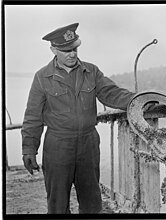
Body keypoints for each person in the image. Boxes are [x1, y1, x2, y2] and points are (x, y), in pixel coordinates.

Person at [21, 22, 135, 214]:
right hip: (57, 146)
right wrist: (29, 149)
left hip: (88, 144)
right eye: (66, 50)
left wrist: (139, 100)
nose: (72, 54)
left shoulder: (91, 71)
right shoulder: (42, 77)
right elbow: (33, 116)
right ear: (54, 50)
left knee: (92, 202)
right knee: (57, 204)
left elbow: (113, 93)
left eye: (75, 48)